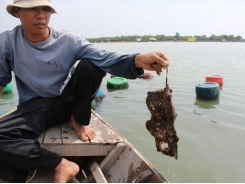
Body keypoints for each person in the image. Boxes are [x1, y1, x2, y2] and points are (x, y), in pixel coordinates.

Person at [0, 0, 169, 182]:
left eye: (46, 9)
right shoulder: (7, 41)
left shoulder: (69, 40)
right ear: (17, 12)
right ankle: (61, 164)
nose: (41, 14)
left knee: (93, 65)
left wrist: (139, 60)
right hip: (35, 108)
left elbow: (105, 57)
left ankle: (78, 120)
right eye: (33, 8)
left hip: (67, 101)